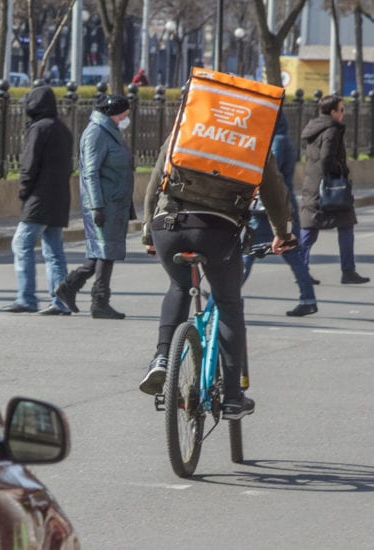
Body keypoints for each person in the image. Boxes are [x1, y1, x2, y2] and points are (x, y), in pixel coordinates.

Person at [138, 133, 296, 419]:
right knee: (228, 304)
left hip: (168, 226)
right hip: (217, 229)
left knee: (178, 286)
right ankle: (233, 398)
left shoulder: (186, 124)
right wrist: (282, 234)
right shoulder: (254, 135)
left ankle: (162, 357)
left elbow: (155, 182)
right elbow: (273, 191)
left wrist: (149, 233)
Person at [55, 94, 134, 320]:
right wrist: (97, 206)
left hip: (114, 201)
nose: (127, 117)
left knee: (102, 251)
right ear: (113, 113)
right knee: (105, 252)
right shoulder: (96, 133)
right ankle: (99, 301)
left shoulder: (109, 130)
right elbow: (90, 173)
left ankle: (70, 287)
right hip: (103, 203)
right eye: (125, 114)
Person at [3, 86, 74, 315]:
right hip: (59, 198)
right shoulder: (63, 129)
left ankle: (26, 298)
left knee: (21, 244)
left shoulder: (39, 129)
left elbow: (29, 164)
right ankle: (61, 301)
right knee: (54, 251)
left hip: (39, 198)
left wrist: (23, 191)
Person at [242, 112, 318, 317]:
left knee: (248, 251)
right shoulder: (283, 139)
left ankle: (222, 295)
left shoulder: (277, 141)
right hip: (278, 206)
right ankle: (308, 299)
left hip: (270, 208)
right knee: (292, 254)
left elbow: (269, 176)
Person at [299, 94, 369, 285]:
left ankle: (302, 270)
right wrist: (342, 171)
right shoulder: (332, 130)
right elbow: (326, 159)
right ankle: (347, 271)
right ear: (333, 112)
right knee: (342, 228)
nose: (343, 113)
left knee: (311, 229)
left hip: (313, 186)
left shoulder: (314, 128)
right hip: (330, 189)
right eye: (341, 109)